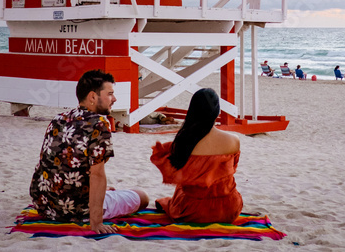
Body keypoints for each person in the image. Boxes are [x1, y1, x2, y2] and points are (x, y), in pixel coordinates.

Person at [29, 70, 149, 233]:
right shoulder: (98, 124)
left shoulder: (59, 119)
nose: (114, 99)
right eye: (110, 94)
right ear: (93, 97)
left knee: (107, 189)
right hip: (77, 209)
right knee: (142, 196)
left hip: (45, 204)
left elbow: (52, 163)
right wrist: (96, 222)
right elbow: (97, 174)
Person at [150, 88, 243, 223]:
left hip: (193, 211)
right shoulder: (234, 140)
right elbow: (233, 169)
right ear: (217, 112)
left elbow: (173, 169)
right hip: (229, 209)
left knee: (181, 188)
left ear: (192, 111)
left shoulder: (182, 142)